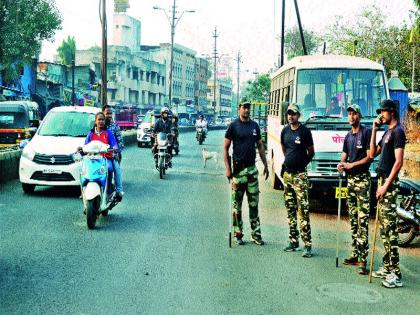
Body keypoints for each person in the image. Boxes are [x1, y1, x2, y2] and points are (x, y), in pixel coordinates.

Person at [369, 99, 406, 288]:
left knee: (390, 231)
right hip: (382, 181)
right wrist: (375, 129)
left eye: (384, 111)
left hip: (390, 186)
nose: (381, 114)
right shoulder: (386, 132)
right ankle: (387, 266)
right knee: (384, 229)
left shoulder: (398, 132)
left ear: (392, 112)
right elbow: (371, 154)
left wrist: (386, 186)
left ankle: (396, 273)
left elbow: (398, 162)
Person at [224, 102, 269, 246]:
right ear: (239, 109)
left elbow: (260, 146)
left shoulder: (255, 126)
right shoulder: (233, 126)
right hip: (238, 172)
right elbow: (225, 148)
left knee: (254, 204)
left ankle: (256, 234)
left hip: (252, 171)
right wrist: (227, 169)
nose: (246, 109)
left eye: (248, 107)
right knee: (237, 205)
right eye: (244, 107)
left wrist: (266, 165)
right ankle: (238, 233)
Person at [337, 104, 372, 274]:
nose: (351, 116)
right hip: (350, 181)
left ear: (359, 115)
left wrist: (352, 164)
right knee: (352, 219)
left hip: (362, 180)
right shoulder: (348, 136)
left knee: (362, 220)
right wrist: (341, 164)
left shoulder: (365, 132)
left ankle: (363, 259)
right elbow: (344, 156)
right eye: (349, 113)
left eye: (354, 113)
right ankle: (355, 253)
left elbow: (369, 157)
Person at [281, 103, 315, 258]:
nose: (290, 116)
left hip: (300, 176)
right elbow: (284, 149)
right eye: (289, 113)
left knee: (303, 210)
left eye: (293, 114)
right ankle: (293, 241)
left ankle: (307, 245)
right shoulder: (285, 131)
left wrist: (301, 164)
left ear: (299, 115)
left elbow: (311, 152)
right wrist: (290, 162)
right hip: (287, 175)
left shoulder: (305, 132)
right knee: (290, 209)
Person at [80, 112, 118, 192]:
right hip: (92, 159)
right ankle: (84, 189)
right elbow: (86, 146)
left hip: (105, 159)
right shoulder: (91, 134)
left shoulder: (108, 133)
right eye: (99, 119)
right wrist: (81, 149)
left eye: (103, 120)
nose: (101, 121)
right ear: (95, 121)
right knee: (83, 170)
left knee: (109, 168)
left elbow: (114, 144)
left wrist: (114, 148)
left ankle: (108, 188)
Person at [103, 105, 124, 201]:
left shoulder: (115, 126)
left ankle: (119, 190)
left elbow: (120, 142)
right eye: (107, 113)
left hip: (111, 155)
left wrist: (116, 152)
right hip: (98, 155)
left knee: (115, 169)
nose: (109, 115)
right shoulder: (98, 126)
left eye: (110, 113)